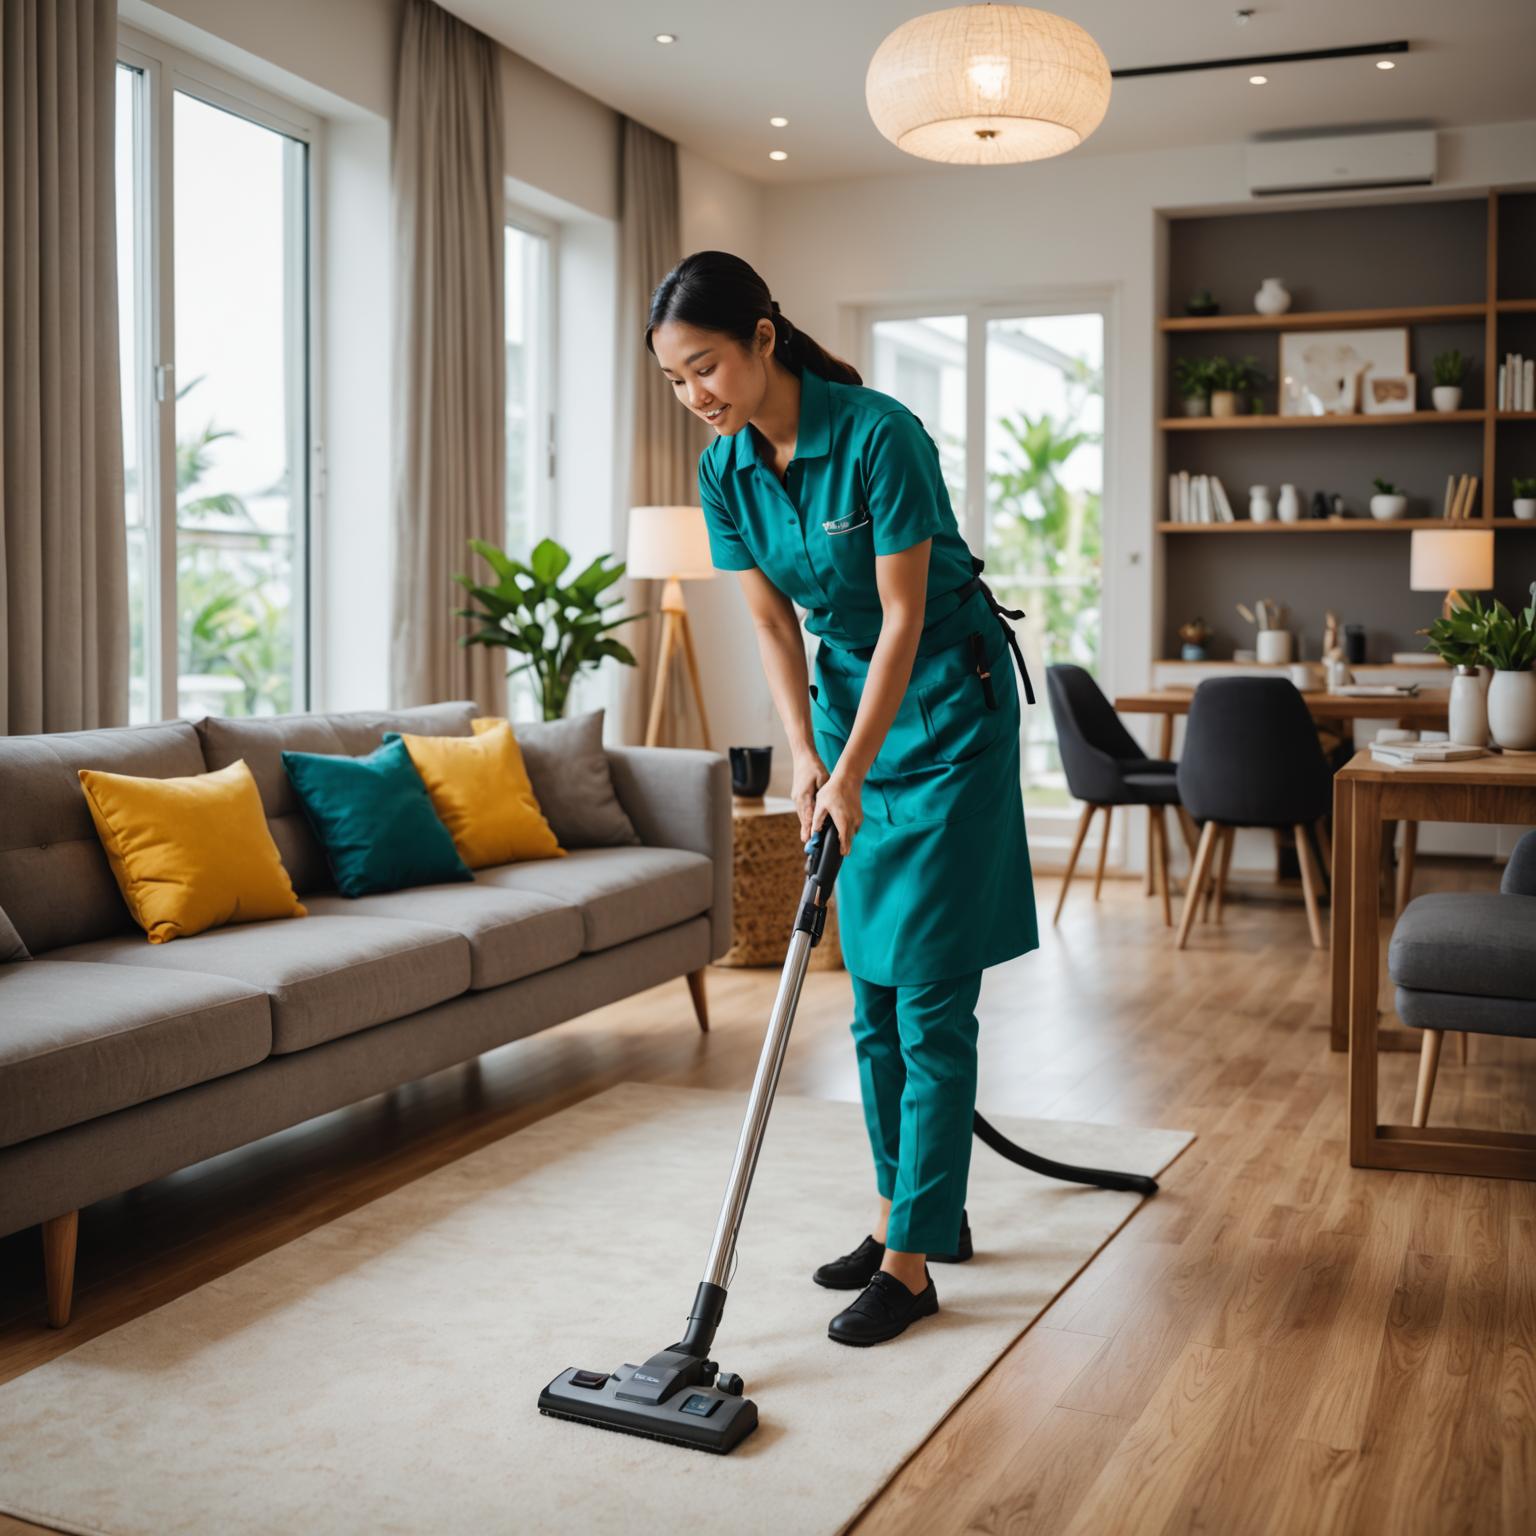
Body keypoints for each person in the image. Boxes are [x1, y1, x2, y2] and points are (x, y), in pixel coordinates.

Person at [646, 251, 1039, 1346]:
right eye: (677, 381)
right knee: (865, 989)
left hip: (946, 719)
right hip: (846, 712)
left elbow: (904, 620)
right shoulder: (724, 468)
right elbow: (773, 624)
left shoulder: (879, 435)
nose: (698, 396)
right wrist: (809, 753)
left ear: (763, 336)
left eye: (707, 367)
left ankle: (912, 1266)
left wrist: (853, 765)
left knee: (925, 995)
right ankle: (906, 1216)